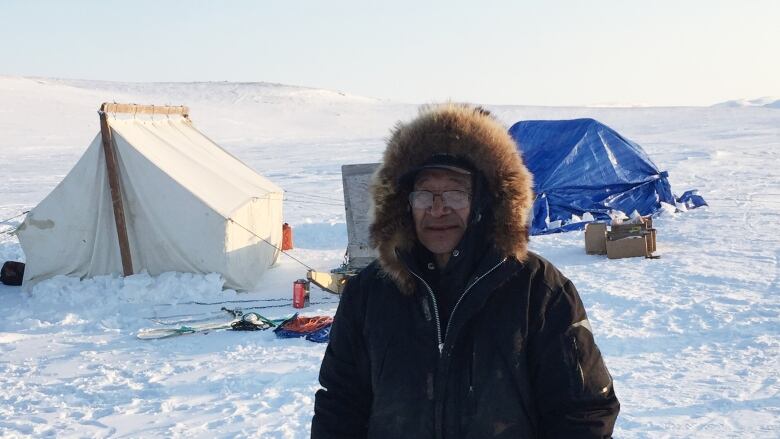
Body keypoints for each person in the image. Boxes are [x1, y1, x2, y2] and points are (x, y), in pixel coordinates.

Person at [312, 104, 620, 438]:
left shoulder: (539, 289)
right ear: (404, 203)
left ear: (485, 201)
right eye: (425, 194)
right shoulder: (369, 293)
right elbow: (340, 405)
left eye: (456, 193)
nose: (438, 208)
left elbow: (583, 411)